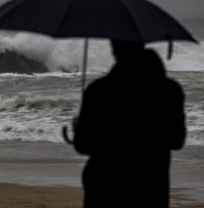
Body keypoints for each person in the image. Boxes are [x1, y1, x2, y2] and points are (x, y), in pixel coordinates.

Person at [72, 40, 186, 208]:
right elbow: (177, 141)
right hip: (151, 187)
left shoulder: (99, 90)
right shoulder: (171, 89)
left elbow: (84, 145)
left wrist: (78, 128)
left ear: (114, 49)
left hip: (105, 188)